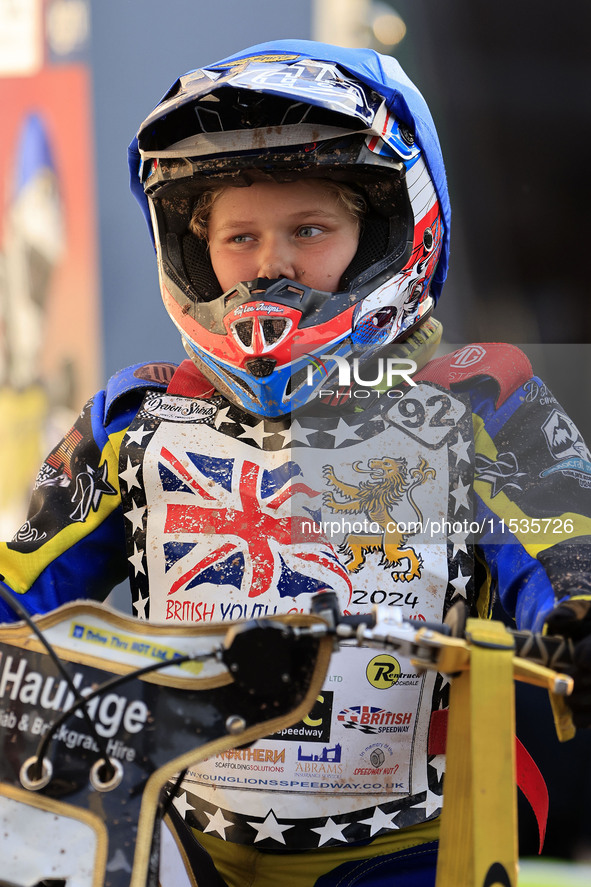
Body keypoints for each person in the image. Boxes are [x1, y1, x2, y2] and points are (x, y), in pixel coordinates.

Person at [1, 38, 591, 887]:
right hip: (169, 840)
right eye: (239, 236)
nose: (268, 264)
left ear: (393, 229)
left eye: (307, 229)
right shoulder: (136, 416)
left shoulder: (475, 400)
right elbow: (24, 584)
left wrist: (577, 614)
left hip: (410, 849)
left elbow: (561, 541)